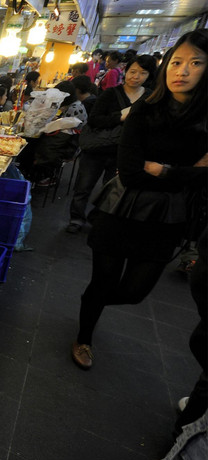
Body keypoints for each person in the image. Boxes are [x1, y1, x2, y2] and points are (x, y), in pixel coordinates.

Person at [69, 31, 207, 370]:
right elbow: (129, 172)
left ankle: (92, 302)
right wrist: (183, 172)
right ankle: (84, 336)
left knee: (135, 291)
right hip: (120, 207)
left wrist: (164, 171)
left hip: (168, 216)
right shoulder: (145, 108)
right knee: (103, 279)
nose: (182, 71)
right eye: (176, 62)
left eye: (195, 63)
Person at [67, 54, 158, 233]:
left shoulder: (150, 98)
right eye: (133, 71)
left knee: (114, 189)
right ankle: (76, 219)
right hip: (97, 148)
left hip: (124, 152)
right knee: (84, 186)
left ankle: (99, 219)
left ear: (149, 76)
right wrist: (121, 117)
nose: (136, 76)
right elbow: (94, 120)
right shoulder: (111, 93)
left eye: (142, 73)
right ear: (125, 70)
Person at [27, 81, 87, 186]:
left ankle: (43, 175)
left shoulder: (74, 108)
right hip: (66, 139)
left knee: (37, 144)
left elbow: (63, 132)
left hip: (70, 145)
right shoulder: (72, 105)